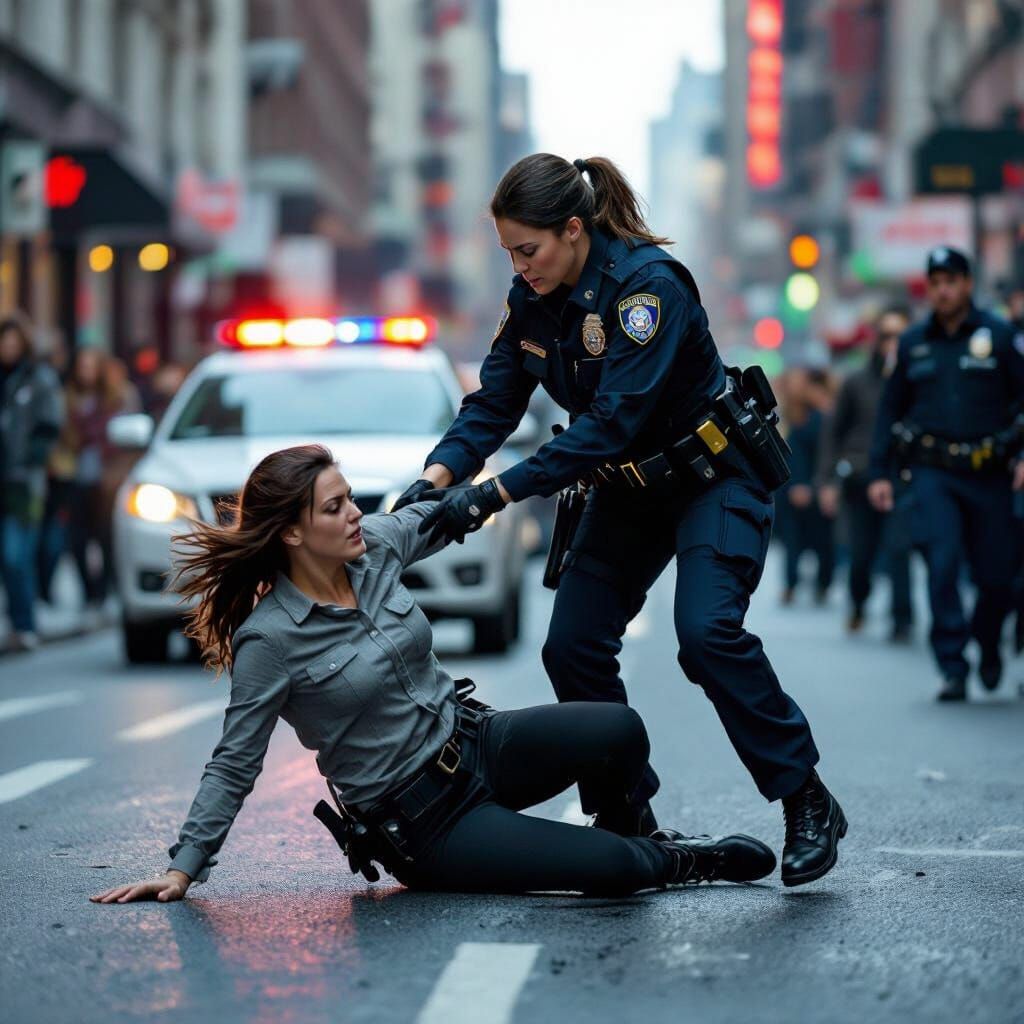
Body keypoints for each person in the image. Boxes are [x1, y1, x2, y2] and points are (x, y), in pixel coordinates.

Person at [392, 153, 846, 887]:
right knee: (571, 646)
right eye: (509, 252)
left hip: (711, 477)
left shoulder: (647, 289)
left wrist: (492, 494)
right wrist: (436, 478)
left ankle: (806, 797)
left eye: (528, 249)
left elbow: (610, 423)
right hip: (627, 493)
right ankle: (626, 817)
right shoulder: (533, 297)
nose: (519, 266)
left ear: (573, 230)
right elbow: (494, 401)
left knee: (706, 634)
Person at [91, 445, 777, 904]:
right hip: (427, 824)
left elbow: (450, 514)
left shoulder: (375, 548)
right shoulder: (269, 638)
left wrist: (517, 478)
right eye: (334, 507)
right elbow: (235, 761)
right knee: (613, 870)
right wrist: (184, 867)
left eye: (349, 498)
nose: (355, 514)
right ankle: (682, 862)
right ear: (291, 534)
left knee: (619, 730)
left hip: (477, 743)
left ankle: (640, 837)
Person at [868, 247, 1024, 701]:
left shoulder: (999, 336)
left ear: (967, 284)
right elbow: (889, 410)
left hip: (991, 473)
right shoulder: (913, 342)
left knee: (997, 578)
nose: (943, 291)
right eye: (935, 283)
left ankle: (988, 642)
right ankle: (952, 665)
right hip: (933, 472)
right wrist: (879, 472)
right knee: (942, 563)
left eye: (951, 281)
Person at [818, 308, 914, 640]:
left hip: (901, 476)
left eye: (900, 336)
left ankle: (903, 618)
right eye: (887, 336)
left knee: (899, 549)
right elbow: (834, 433)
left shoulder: (916, 380)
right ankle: (858, 604)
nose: (893, 343)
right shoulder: (856, 382)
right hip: (860, 478)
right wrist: (827, 481)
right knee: (861, 553)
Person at [0, 312, 64, 651]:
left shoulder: (39, 379)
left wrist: (30, 458)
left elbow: (50, 426)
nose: (8, 348)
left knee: (16, 555)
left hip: (25, 483)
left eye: (13, 342)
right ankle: (15, 622)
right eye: (4, 342)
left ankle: (25, 624)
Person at [777, 367, 836, 606]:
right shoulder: (795, 414)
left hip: (820, 487)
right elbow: (793, 454)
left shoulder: (826, 414)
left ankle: (822, 583)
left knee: (824, 541)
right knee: (793, 541)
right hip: (797, 486)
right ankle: (791, 584)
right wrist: (798, 484)